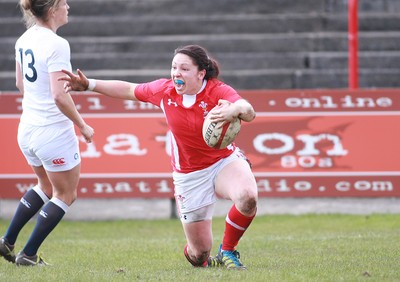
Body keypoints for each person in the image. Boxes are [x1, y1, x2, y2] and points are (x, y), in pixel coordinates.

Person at [60, 44, 257, 270]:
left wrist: (234, 110)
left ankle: (228, 251)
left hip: (223, 162)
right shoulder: (164, 91)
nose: (176, 73)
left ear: (201, 73)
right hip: (189, 175)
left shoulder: (217, 90)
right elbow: (128, 89)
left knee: (247, 197)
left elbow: (247, 109)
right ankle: (202, 255)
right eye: (174, 67)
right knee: (199, 253)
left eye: (184, 69)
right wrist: (89, 85)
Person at [0, 0, 94, 266]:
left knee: (45, 186)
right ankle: (27, 255)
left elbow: (20, 83)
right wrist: (83, 125)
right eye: (64, 3)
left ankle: (7, 240)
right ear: (52, 10)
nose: (68, 6)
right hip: (52, 131)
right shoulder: (56, 44)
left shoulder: (24, 38)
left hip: (27, 128)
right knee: (65, 194)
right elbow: (59, 95)